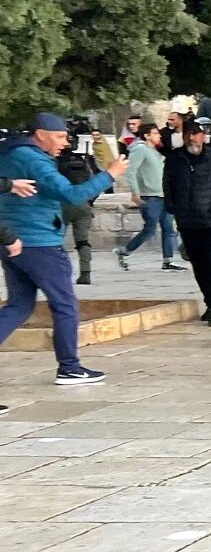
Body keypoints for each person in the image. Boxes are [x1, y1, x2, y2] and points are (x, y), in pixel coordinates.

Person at [0, 114, 127, 383]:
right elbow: (73, 195)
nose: (65, 142)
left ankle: (70, 367)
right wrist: (110, 175)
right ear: (40, 134)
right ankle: (70, 367)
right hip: (40, 242)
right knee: (65, 304)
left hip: (14, 240)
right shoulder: (33, 159)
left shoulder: (10, 153)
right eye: (59, 136)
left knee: (19, 306)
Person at [162, 117, 211, 326]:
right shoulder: (175, 159)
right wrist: (173, 208)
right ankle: (208, 299)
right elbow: (168, 185)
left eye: (195, 134)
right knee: (198, 263)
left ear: (203, 136)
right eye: (188, 134)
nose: (191, 138)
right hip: (188, 221)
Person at [113, 123, 182, 273]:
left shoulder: (155, 151)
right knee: (150, 229)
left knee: (169, 228)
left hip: (163, 194)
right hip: (149, 196)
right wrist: (135, 192)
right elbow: (130, 171)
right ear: (147, 135)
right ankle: (125, 251)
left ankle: (168, 261)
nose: (159, 136)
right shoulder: (140, 149)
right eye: (155, 133)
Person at [53, 122, 107, 285]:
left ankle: (58, 273)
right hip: (83, 204)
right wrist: (90, 201)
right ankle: (85, 273)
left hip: (63, 205)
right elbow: (96, 182)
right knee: (82, 241)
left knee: (55, 241)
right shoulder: (83, 161)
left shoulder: (53, 162)